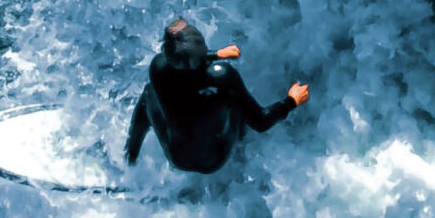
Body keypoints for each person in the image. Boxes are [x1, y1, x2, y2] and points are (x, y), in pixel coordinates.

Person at [125, 19, 309, 175]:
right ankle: (241, 149)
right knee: (232, 100)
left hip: (177, 156)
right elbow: (262, 122)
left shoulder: (158, 68)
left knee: (150, 91)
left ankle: (131, 152)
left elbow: (183, 64)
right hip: (212, 161)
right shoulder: (222, 77)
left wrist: (215, 54)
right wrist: (291, 101)